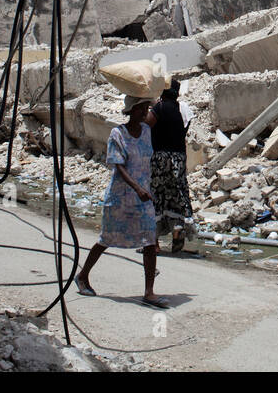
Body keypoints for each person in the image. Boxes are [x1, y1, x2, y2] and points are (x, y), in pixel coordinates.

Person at [75, 95, 168, 308]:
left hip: (143, 198)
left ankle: (149, 292)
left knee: (150, 241)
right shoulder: (117, 134)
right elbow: (118, 166)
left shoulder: (146, 132)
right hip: (121, 198)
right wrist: (136, 188)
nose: (145, 112)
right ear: (131, 111)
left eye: (146, 108)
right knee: (106, 239)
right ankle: (82, 275)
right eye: (141, 108)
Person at [148, 79, 196, 254]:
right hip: (179, 157)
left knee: (157, 196)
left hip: (160, 157)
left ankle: (154, 243)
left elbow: (147, 124)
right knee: (177, 194)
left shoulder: (159, 109)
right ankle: (177, 232)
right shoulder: (183, 109)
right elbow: (183, 129)